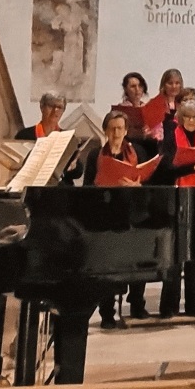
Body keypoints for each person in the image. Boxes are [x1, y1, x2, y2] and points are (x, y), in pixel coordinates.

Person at [82, 110, 148, 328]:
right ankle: (107, 313)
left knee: (138, 261)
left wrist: (138, 186)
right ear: (105, 131)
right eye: (112, 128)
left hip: (132, 214)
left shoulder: (137, 151)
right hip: (106, 214)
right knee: (108, 268)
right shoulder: (95, 155)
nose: (116, 132)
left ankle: (137, 305)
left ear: (126, 130)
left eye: (120, 128)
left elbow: (147, 181)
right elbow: (87, 187)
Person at [157, 100, 195, 318]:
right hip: (177, 197)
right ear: (181, 119)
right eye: (188, 117)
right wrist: (193, 167)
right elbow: (166, 168)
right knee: (175, 255)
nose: (192, 121)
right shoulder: (171, 138)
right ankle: (169, 307)